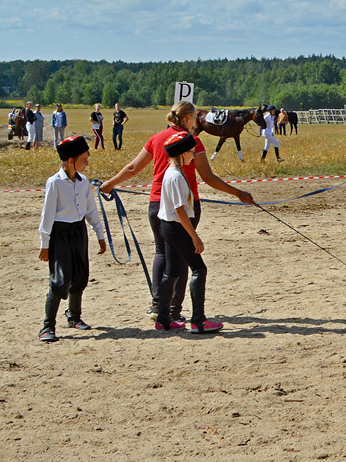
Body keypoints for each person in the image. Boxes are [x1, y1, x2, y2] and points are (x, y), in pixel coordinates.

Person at [99, 101, 255, 322]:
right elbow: (208, 177)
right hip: (185, 207)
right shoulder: (192, 142)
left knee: (161, 252)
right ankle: (173, 309)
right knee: (182, 256)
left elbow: (133, 168)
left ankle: (157, 304)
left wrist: (110, 183)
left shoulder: (156, 139)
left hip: (158, 204)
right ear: (189, 118)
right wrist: (238, 193)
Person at [37, 136, 107, 342]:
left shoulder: (83, 182)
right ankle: (47, 327)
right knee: (60, 280)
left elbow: (91, 210)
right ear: (70, 160)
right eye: (83, 159)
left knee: (80, 276)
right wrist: (45, 244)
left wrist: (100, 234)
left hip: (78, 232)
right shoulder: (55, 183)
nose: (87, 163)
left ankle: (74, 316)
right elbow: (47, 215)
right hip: (60, 234)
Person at [155, 131, 223, 333]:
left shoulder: (173, 172)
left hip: (169, 226)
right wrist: (195, 237)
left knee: (171, 272)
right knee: (199, 269)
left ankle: (163, 319)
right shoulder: (176, 176)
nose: (194, 155)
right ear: (182, 153)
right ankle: (198, 321)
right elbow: (179, 211)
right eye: (192, 152)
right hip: (176, 228)